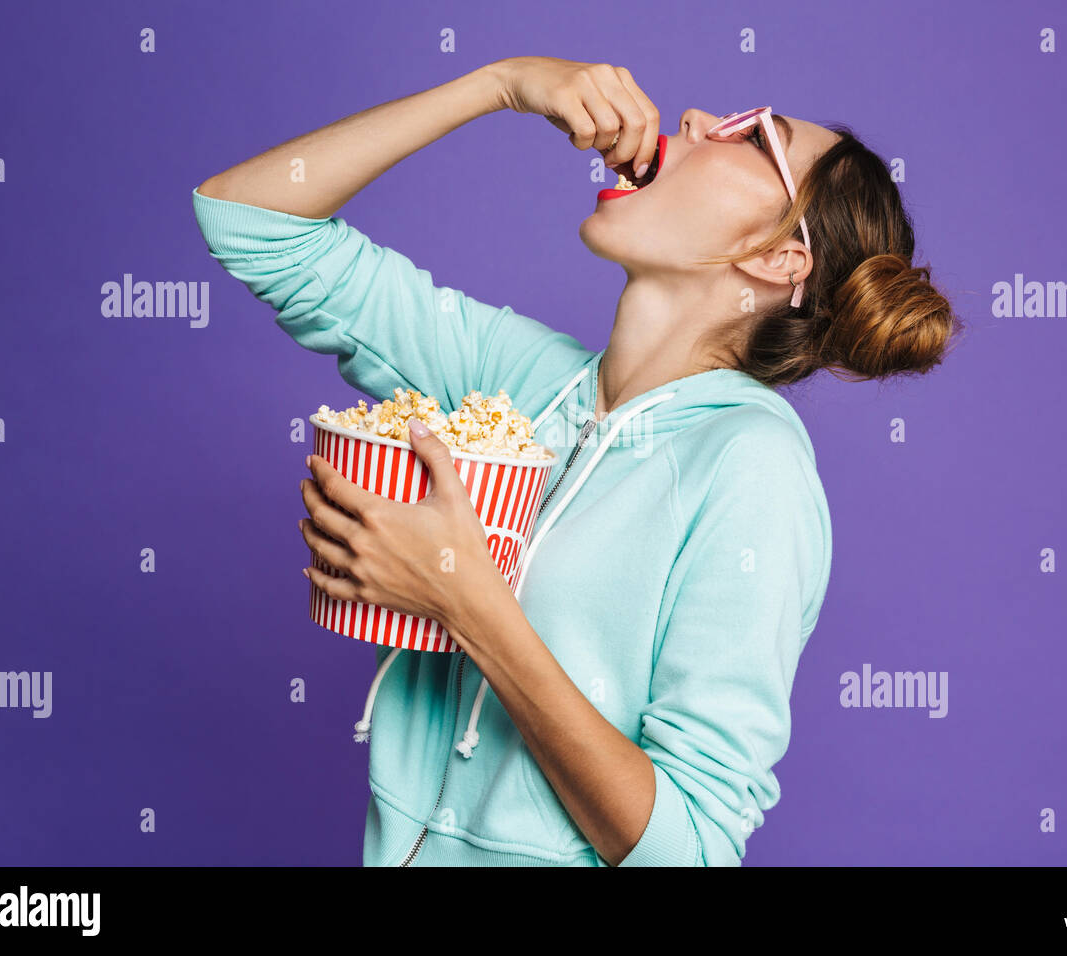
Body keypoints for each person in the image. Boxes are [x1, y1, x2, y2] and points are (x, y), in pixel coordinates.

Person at [191, 56, 961, 866]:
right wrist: (499, 85)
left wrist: (467, 605)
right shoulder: (515, 380)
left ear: (777, 259)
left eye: (752, 135)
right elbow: (249, 221)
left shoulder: (751, 466)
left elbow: (689, 850)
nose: (697, 118)